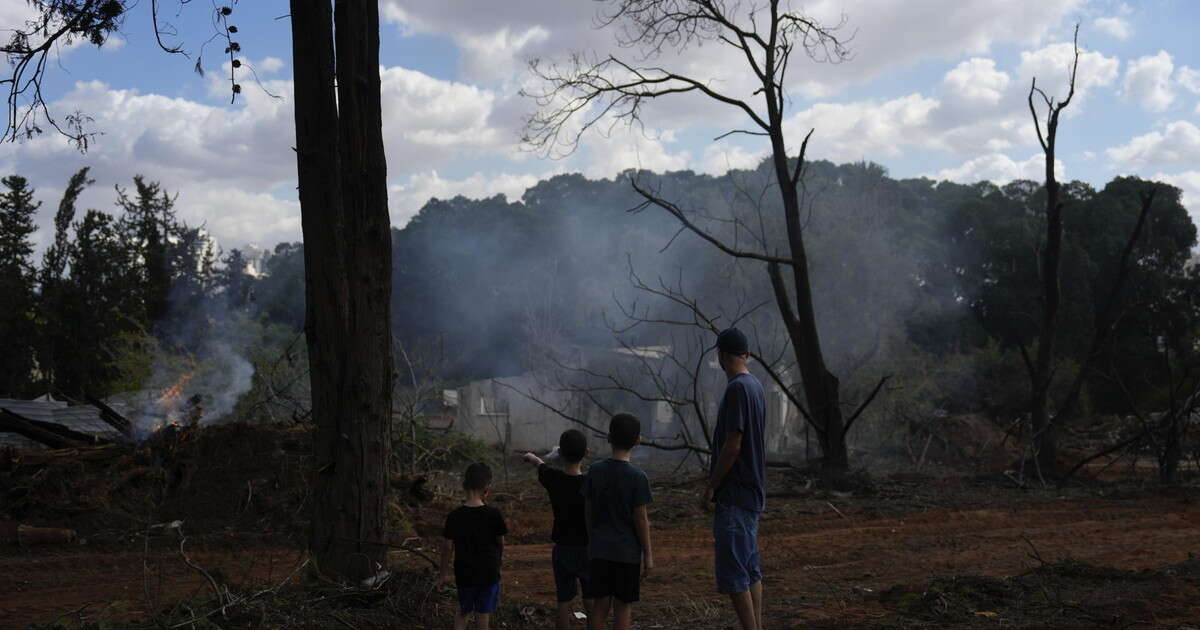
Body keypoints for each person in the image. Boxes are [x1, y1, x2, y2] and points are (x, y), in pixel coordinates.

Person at [699, 327, 767, 630]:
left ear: (722, 357)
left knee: (735, 572)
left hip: (736, 493)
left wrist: (712, 485)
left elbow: (733, 444)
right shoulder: (756, 386)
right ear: (746, 354)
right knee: (750, 570)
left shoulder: (737, 389)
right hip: (751, 492)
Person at [580, 413, 653, 630]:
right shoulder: (638, 477)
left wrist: (592, 539)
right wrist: (648, 554)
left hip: (600, 551)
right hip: (627, 554)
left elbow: (588, 510)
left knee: (600, 606)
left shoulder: (595, 470)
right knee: (623, 607)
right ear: (637, 440)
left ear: (609, 438)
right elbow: (641, 519)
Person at [522, 429, 593, 630]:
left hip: (563, 549)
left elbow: (541, 466)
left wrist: (532, 457)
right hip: (588, 549)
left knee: (563, 602)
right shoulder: (590, 482)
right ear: (586, 452)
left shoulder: (554, 479)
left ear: (560, 453)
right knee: (591, 601)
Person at [440, 462, 508, 630]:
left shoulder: (454, 517)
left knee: (463, 611)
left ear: (465, 485)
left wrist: (442, 575)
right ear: (487, 487)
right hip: (489, 573)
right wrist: (498, 562)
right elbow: (501, 542)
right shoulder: (494, 515)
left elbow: (448, 547)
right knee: (483, 613)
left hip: (464, 574)